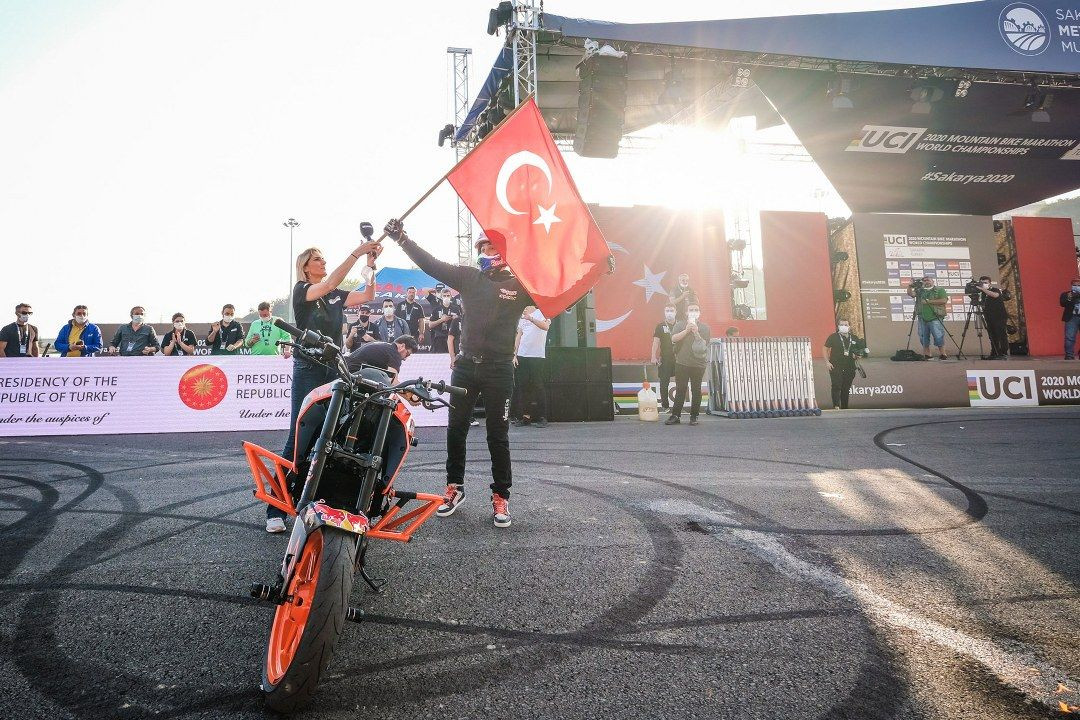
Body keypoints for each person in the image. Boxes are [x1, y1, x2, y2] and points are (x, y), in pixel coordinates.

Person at [384, 218, 532, 528]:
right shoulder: (468, 277)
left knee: (498, 435)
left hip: (499, 368)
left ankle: (501, 495)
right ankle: (454, 487)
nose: (483, 251)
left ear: (502, 250)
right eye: (480, 246)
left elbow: (559, 293)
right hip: (465, 366)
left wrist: (597, 270)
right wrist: (403, 240)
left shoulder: (520, 285)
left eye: (488, 246)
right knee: (456, 429)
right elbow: (432, 265)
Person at [265, 238, 381, 533]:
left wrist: (370, 264)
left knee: (330, 435)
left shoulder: (335, 295)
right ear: (305, 267)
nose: (323, 262)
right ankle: (275, 508)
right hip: (308, 366)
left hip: (334, 367)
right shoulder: (303, 290)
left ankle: (320, 500)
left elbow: (368, 294)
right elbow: (329, 284)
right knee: (299, 434)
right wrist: (357, 252)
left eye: (323, 258)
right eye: (317, 259)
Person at [665, 302, 711, 426]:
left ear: (699, 312)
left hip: (699, 364)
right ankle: (675, 415)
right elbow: (673, 339)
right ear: (686, 312)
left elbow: (704, 345)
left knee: (696, 390)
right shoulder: (680, 324)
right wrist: (686, 330)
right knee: (681, 389)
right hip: (682, 363)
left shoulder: (705, 328)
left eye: (696, 309)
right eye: (691, 310)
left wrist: (696, 332)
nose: (694, 312)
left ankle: (694, 416)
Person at [512, 305, 551, 428]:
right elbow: (518, 335)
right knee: (522, 387)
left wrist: (531, 319)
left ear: (531, 305)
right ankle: (525, 416)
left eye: (525, 306)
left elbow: (545, 327)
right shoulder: (521, 318)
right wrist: (514, 355)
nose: (523, 308)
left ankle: (542, 417)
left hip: (537, 356)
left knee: (538, 385)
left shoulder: (543, 312)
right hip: (522, 355)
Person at [824, 319, 868, 410]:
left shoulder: (854, 338)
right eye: (842, 325)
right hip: (836, 365)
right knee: (836, 385)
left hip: (850, 367)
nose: (844, 326)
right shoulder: (833, 337)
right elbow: (825, 348)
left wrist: (858, 355)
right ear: (838, 326)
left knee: (846, 388)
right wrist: (827, 362)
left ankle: (845, 408)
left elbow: (859, 352)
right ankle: (836, 406)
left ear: (849, 326)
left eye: (846, 325)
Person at [907, 276, 948, 360]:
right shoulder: (920, 291)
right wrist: (909, 286)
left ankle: (943, 354)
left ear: (933, 281)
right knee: (923, 336)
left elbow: (944, 300)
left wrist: (928, 302)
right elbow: (911, 294)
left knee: (938, 335)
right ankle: (927, 354)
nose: (926, 282)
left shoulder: (939, 290)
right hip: (922, 317)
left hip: (935, 317)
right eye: (924, 281)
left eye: (928, 280)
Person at [650, 303, 678, 411]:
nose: (669, 313)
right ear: (664, 312)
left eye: (671, 310)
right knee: (664, 382)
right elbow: (655, 342)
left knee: (681, 382)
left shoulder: (680, 325)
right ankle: (665, 406)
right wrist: (653, 356)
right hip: (665, 358)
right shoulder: (660, 326)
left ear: (676, 312)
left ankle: (678, 406)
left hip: (679, 358)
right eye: (667, 311)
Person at [973, 276, 1009, 360]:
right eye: (982, 283)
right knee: (992, 335)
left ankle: (1002, 353)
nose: (984, 284)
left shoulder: (995, 290)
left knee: (1000, 334)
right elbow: (984, 303)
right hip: (989, 317)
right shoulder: (983, 294)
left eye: (986, 283)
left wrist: (983, 289)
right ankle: (994, 353)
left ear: (990, 283)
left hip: (999, 316)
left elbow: (995, 295)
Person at [345, 335, 418, 375]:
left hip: (345, 369)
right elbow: (393, 381)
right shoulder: (394, 353)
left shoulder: (384, 346)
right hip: (354, 373)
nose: (405, 359)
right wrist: (410, 398)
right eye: (407, 354)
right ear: (402, 346)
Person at [427, 287, 459, 354]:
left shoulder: (456, 309)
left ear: (451, 297)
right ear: (441, 297)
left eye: (448, 296)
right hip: (440, 338)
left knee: (453, 357)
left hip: (453, 337)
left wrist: (457, 319)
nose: (446, 297)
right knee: (440, 359)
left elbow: (462, 323)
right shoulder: (436, 309)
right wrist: (441, 320)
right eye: (444, 296)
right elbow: (430, 325)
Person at [1062, 276, 1080, 360]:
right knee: (1070, 337)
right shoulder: (1066, 294)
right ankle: (1069, 355)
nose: (1076, 287)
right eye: (1074, 285)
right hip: (1072, 317)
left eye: (1078, 285)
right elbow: (1062, 303)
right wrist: (1070, 297)